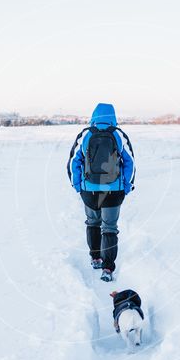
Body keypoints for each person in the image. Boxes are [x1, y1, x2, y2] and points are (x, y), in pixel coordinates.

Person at [67, 103, 135, 281]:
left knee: (92, 223)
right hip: (114, 191)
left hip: (89, 190)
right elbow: (130, 162)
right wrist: (126, 186)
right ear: (113, 116)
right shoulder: (118, 135)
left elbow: (74, 161)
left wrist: (78, 185)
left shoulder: (86, 135)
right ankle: (107, 269)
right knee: (110, 228)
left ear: (94, 116)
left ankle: (95, 258)